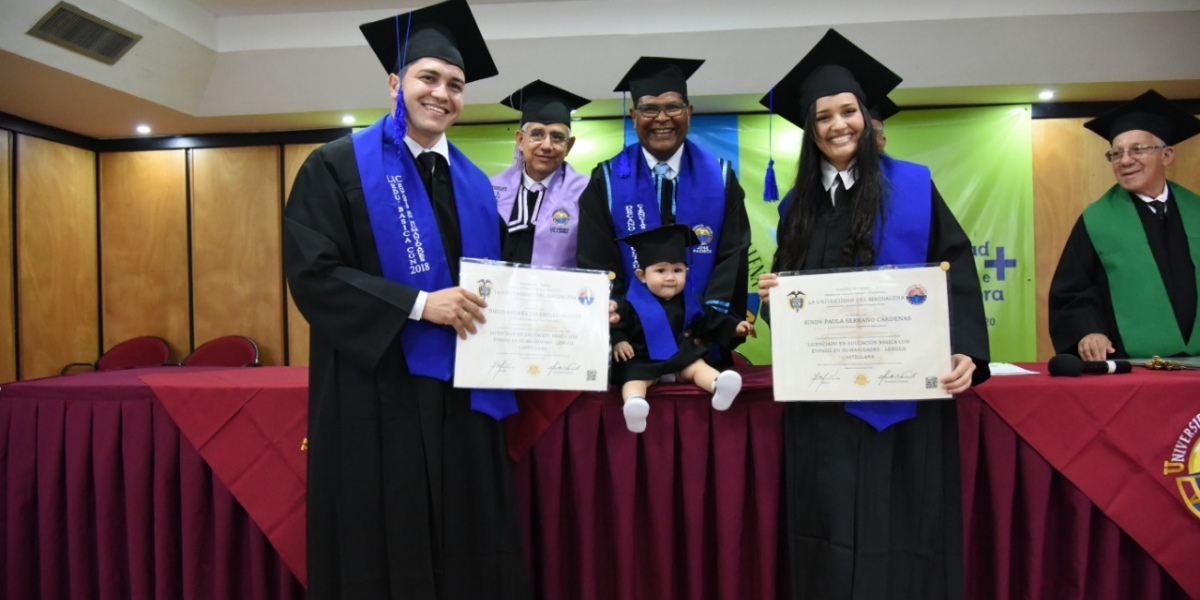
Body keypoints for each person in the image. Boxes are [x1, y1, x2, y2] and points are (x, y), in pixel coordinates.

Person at [282, 0, 529, 597]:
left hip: (461, 400)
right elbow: (314, 273)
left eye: (455, 84)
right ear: (395, 82)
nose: (441, 93)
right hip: (377, 395)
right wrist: (419, 305)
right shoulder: (336, 166)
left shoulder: (475, 183)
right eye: (428, 77)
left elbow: (494, 281)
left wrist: (572, 311)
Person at [755, 29, 991, 600]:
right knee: (826, 528)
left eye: (848, 111)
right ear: (810, 132)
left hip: (902, 405)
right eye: (823, 117)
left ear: (866, 115)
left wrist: (967, 351)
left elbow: (953, 267)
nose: (838, 125)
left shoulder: (912, 185)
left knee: (904, 528)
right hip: (825, 406)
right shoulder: (797, 206)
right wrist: (773, 301)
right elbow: (792, 297)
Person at [576, 56, 751, 365]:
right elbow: (597, 259)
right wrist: (620, 321)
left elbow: (731, 255)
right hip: (633, 348)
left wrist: (709, 322)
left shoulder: (721, 177)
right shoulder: (605, 179)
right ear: (633, 115)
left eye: (672, 107)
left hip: (703, 343)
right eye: (649, 109)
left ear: (689, 113)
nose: (661, 118)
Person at [1049, 90, 1200, 360]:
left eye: (1137, 150)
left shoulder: (1196, 210)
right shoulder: (1097, 220)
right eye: (1116, 154)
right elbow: (1072, 291)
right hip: (1131, 365)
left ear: (1166, 156)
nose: (1125, 160)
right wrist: (1087, 331)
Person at [609, 224, 755, 432]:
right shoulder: (629, 302)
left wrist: (734, 326)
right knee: (633, 377)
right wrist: (619, 341)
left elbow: (709, 321)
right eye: (661, 270)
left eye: (677, 270)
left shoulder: (690, 300)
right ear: (641, 275)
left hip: (678, 358)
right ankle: (634, 404)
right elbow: (618, 325)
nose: (670, 277)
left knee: (697, 366)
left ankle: (718, 386)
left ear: (686, 271)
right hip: (643, 359)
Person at [492, 80, 591, 267]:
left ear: (569, 146)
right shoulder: (490, 189)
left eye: (557, 137)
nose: (546, 145)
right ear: (520, 140)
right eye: (537, 134)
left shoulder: (588, 193)